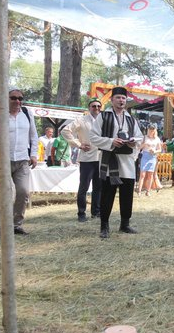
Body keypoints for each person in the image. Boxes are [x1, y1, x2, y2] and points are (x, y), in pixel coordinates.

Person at [90, 86, 143, 239]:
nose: (121, 100)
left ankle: (125, 224)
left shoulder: (131, 119)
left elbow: (140, 137)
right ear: (112, 100)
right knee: (107, 194)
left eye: (123, 98)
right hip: (109, 160)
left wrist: (133, 142)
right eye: (118, 97)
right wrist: (111, 141)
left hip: (127, 161)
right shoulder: (103, 116)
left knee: (127, 194)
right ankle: (104, 226)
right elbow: (93, 137)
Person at [0, 86, 38, 235]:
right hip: (1, 161)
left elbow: (33, 135)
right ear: (6, 98)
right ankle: (3, 228)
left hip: (22, 160)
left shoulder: (27, 113)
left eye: (20, 98)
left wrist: (34, 154)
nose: (17, 101)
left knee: (23, 192)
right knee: (4, 195)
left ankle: (16, 224)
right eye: (13, 98)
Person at [61, 97, 103, 222]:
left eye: (98, 106)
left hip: (101, 158)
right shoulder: (81, 120)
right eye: (93, 106)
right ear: (89, 108)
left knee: (98, 187)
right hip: (87, 159)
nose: (96, 108)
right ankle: (81, 213)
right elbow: (65, 131)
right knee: (84, 187)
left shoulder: (103, 120)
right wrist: (79, 144)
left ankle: (96, 212)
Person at [137, 123, 162, 196]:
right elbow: (139, 147)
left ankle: (148, 191)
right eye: (150, 129)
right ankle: (139, 191)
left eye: (152, 130)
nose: (151, 131)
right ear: (148, 130)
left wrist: (155, 151)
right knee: (142, 174)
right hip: (145, 156)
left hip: (152, 157)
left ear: (154, 130)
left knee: (150, 175)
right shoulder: (144, 137)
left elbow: (159, 149)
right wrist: (144, 144)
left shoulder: (157, 139)